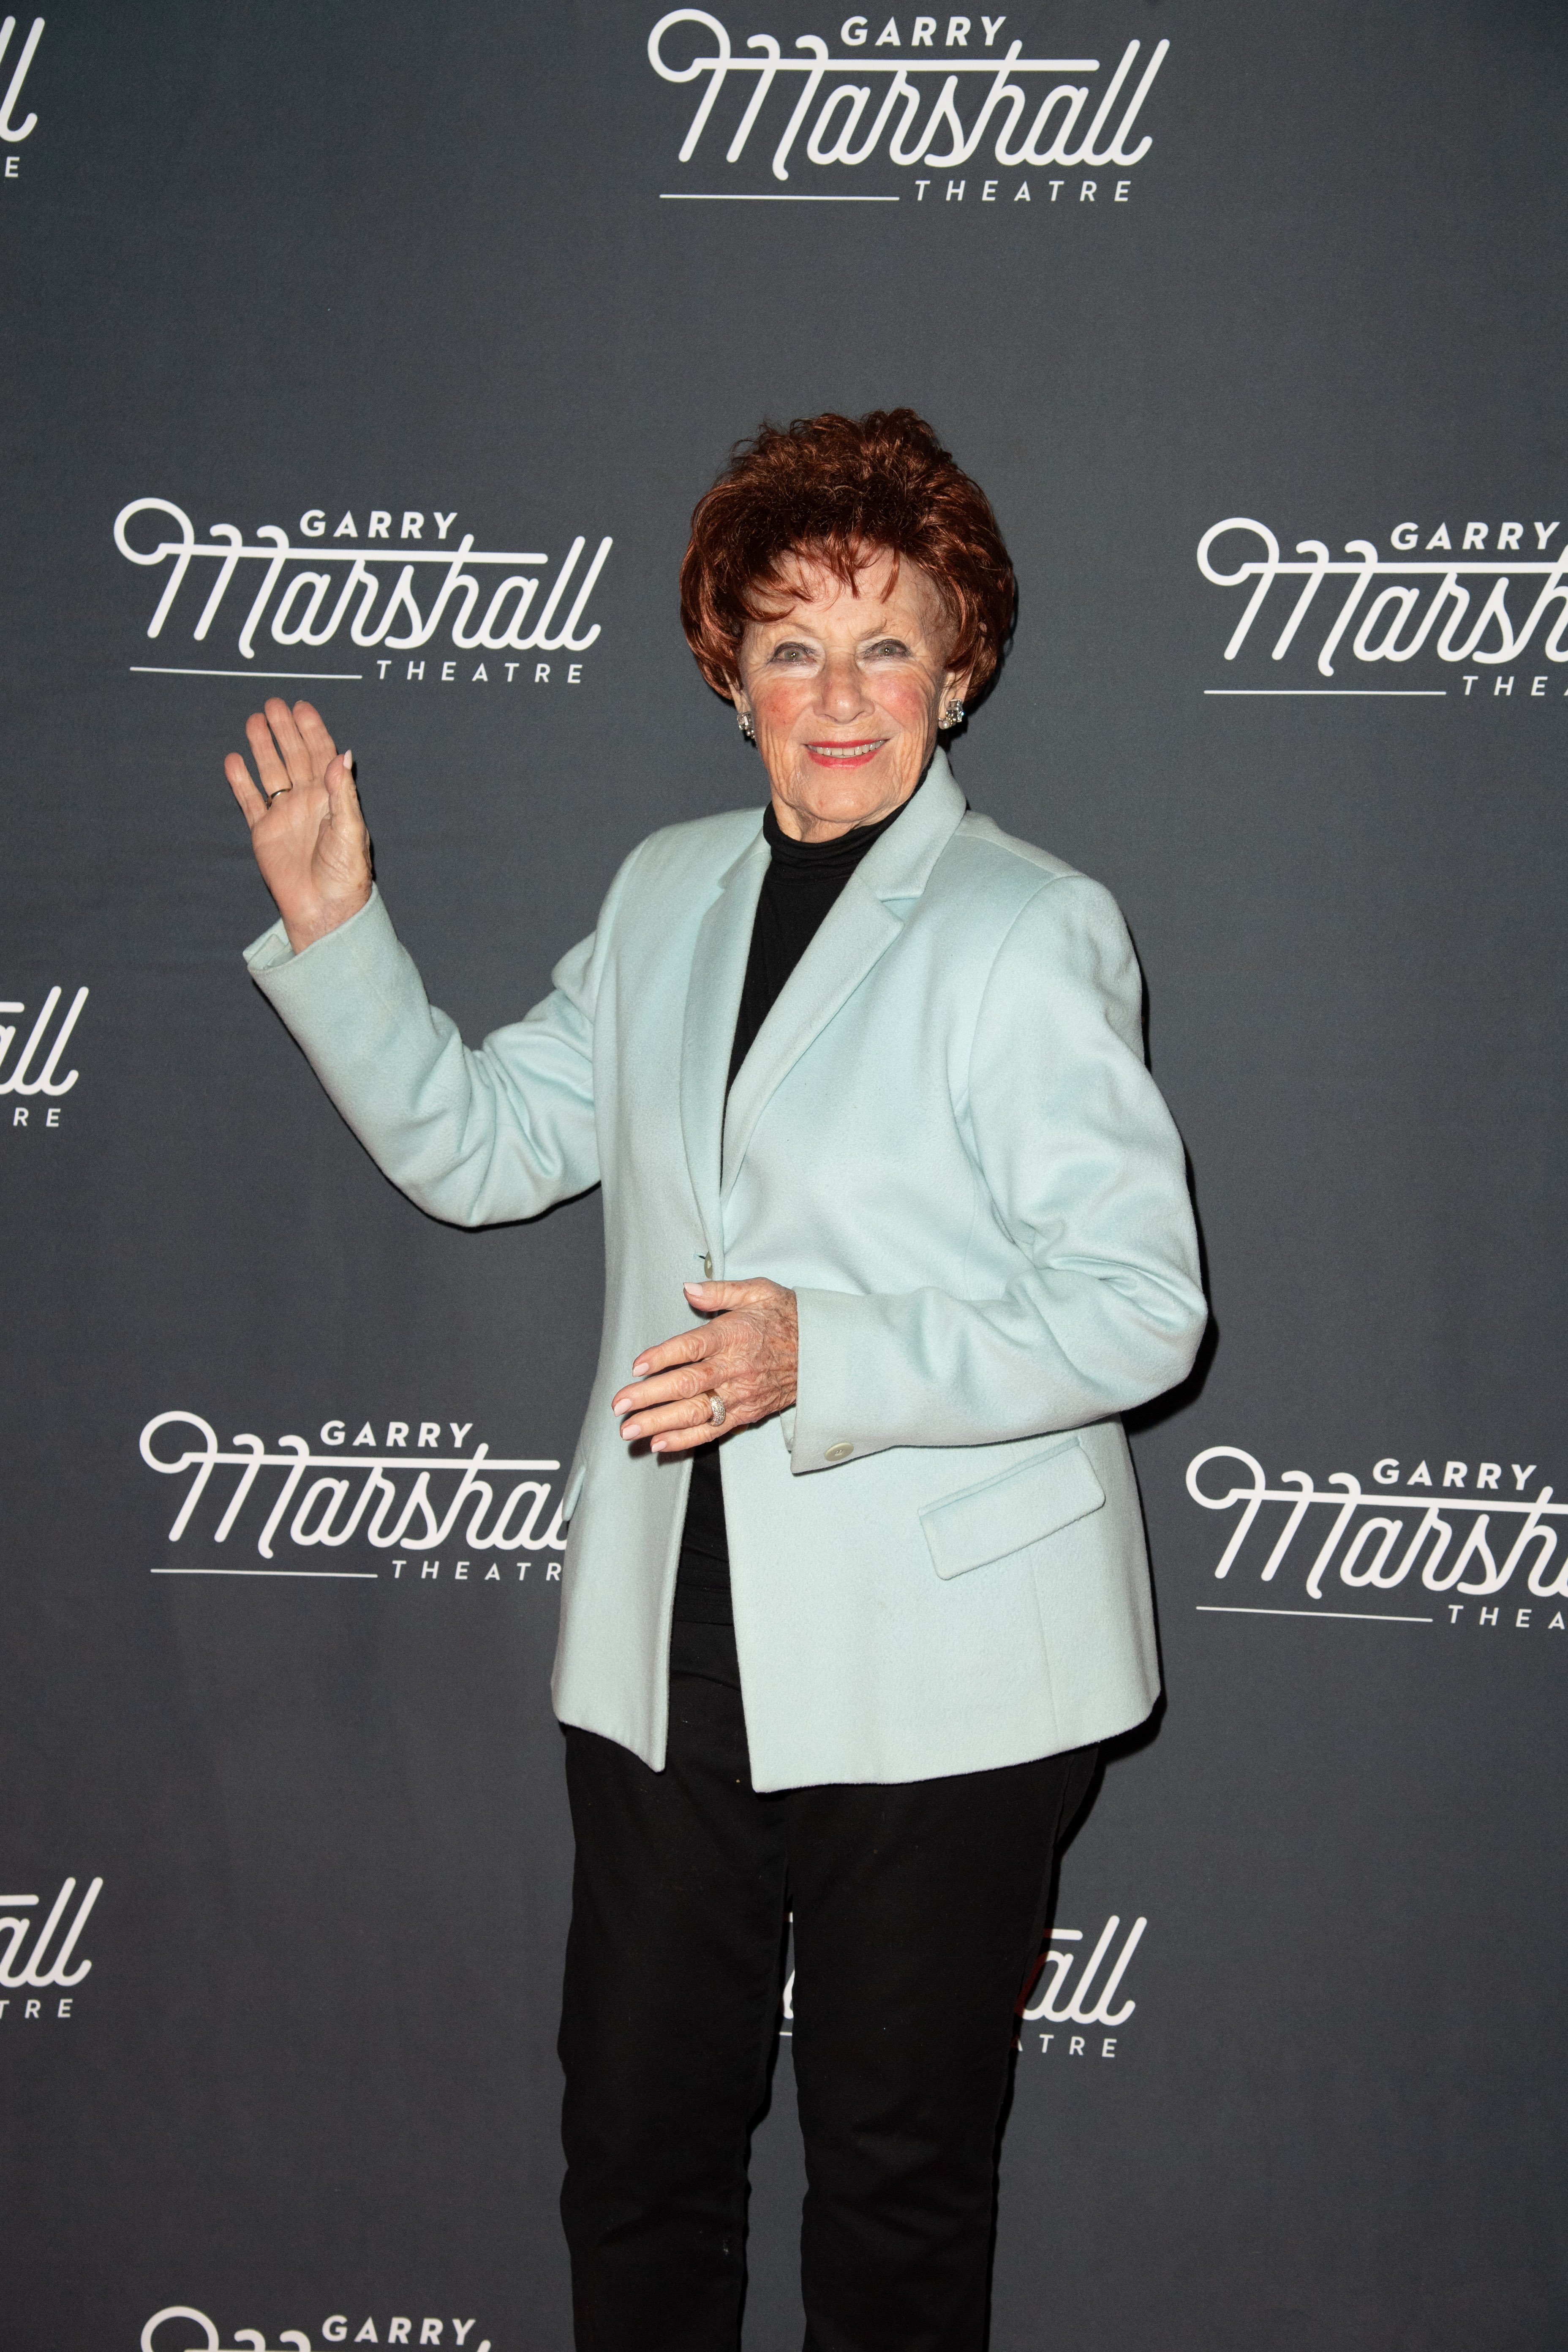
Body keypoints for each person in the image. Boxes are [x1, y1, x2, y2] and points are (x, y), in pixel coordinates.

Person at [226, 408, 1207, 2352]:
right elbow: (487, 1147)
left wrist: (817, 1357)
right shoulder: (668, 886)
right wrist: (339, 932)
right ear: (726, 667)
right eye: (788, 643)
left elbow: (1139, 1307)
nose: (837, 694)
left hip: (948, 1671)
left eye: (886, 642)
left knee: (897, 2189)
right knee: (638, 2158)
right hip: (672, 1651)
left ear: (960, 664)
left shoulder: (1031, 930)